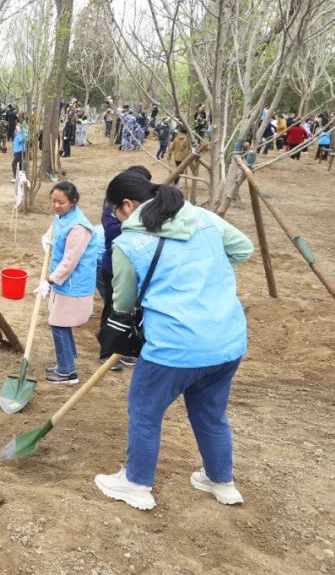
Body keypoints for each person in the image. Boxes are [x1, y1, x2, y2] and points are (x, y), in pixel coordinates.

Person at [94, 169, 253, 511]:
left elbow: (122, 303)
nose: (115, 218)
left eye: (114, 212)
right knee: (211, 415)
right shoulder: (204, 218)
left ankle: (136, 483)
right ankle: (221, 481)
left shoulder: (126, 243)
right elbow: (243, 249)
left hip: (173, 347)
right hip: (226, 341)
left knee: (145, 411)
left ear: (126, 206)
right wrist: (205, 273)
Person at [34, 181, 102, 384]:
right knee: (61, 323)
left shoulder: (79, 227)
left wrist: (51, 280)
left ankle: (67, 372)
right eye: (53, 201)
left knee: (58, 324)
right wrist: (47, 238)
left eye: (61, 202)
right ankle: (67, 362)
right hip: (64, 281)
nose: (56, 206)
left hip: (74, 284)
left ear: (73, 202)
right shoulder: (62, 217)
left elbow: (71, 260)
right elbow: (54, 230)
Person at [97, 165, 152, 371]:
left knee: (134, 309)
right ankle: (107, 351)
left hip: (137, 266)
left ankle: (128, 348)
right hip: (114, 266)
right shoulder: (113, 205)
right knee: (114, 309)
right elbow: (111, 232)